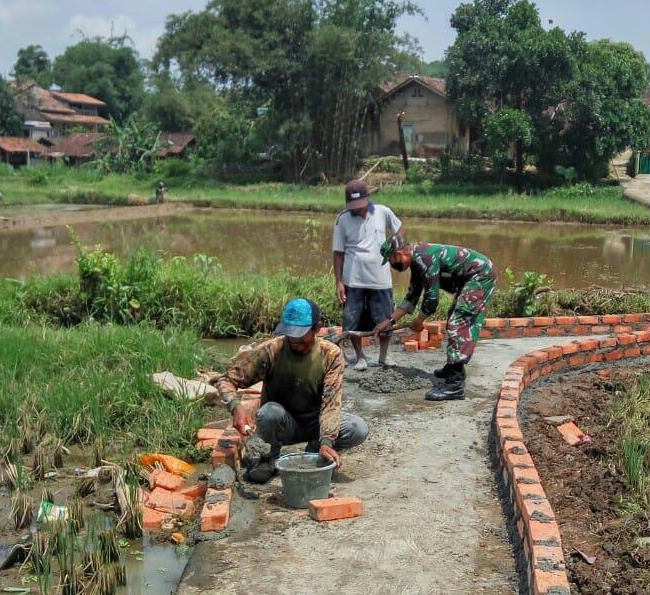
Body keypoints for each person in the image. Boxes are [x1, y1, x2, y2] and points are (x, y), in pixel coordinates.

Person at [210, 298, 369, 483]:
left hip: (315, 422)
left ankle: (316, 452)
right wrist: (236, 406)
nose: (295, 340)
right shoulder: (272, 350)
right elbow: (226, 380)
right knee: (269, 413)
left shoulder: (330, 355)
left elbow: (331, 404)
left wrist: (327, 441)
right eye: (291, 334)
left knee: (357, 428)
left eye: (301, 335)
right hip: (284, 423)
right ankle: (270, 457)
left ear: (317, 328)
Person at [374, 236, 496, 402]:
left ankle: (455, 384)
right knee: (455, 317)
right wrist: (389, 321)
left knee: (459, 323)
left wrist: (419, 321)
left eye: (392, 259)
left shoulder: (424, 258)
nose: (392, 264)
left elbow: (432, 299)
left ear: (401, 252)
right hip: (469, 279)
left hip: (480, 275)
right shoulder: (417, 263)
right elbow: (411, 297)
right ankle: (452, 367)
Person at [332, 179, 403, 371]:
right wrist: (339, 281)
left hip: (380, 278)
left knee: (385, 317)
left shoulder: (383, 212)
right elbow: (338, 253)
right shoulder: (342, 219)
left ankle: (383, 355)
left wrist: (395, 247)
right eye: (353, 206)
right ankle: (360, 356)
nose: (357, 210)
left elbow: (399, 230)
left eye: (360, 206)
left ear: (368, 199)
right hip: (352, 279)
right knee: (352, 319)